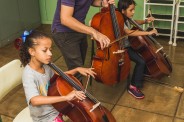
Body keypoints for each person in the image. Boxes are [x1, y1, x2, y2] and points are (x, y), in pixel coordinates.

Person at [19, 30, 96, 122]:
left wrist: (77, 69)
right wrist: (66, 97)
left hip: (56, 108)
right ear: (32, 51)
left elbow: (60, 76)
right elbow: (34, 100)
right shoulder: (28, 74)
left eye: (50, 50)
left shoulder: (45, 66)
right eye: (44, 50)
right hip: (45, 117)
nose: (50, 54)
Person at [51, 0, 114, 82]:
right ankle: (76, 93)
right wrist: (93, 31)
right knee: (76, 69)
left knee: (80, 67)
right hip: (64, 33)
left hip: (79, 28)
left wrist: (102, 3)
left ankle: (77, 87)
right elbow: (65, 19)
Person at [117, 0, 158, 99]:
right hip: (123, 48)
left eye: (134, 10)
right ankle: (133, 86)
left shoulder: (126, 17)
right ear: (123, 10)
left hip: (129, 44)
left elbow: (135, 22)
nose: (133, 12)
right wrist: (147, 33)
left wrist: (145, 21)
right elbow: (129, 32)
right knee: (141, 61)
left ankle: (141, 72)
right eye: (131, 10)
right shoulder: (120, 20)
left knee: (144, 53)